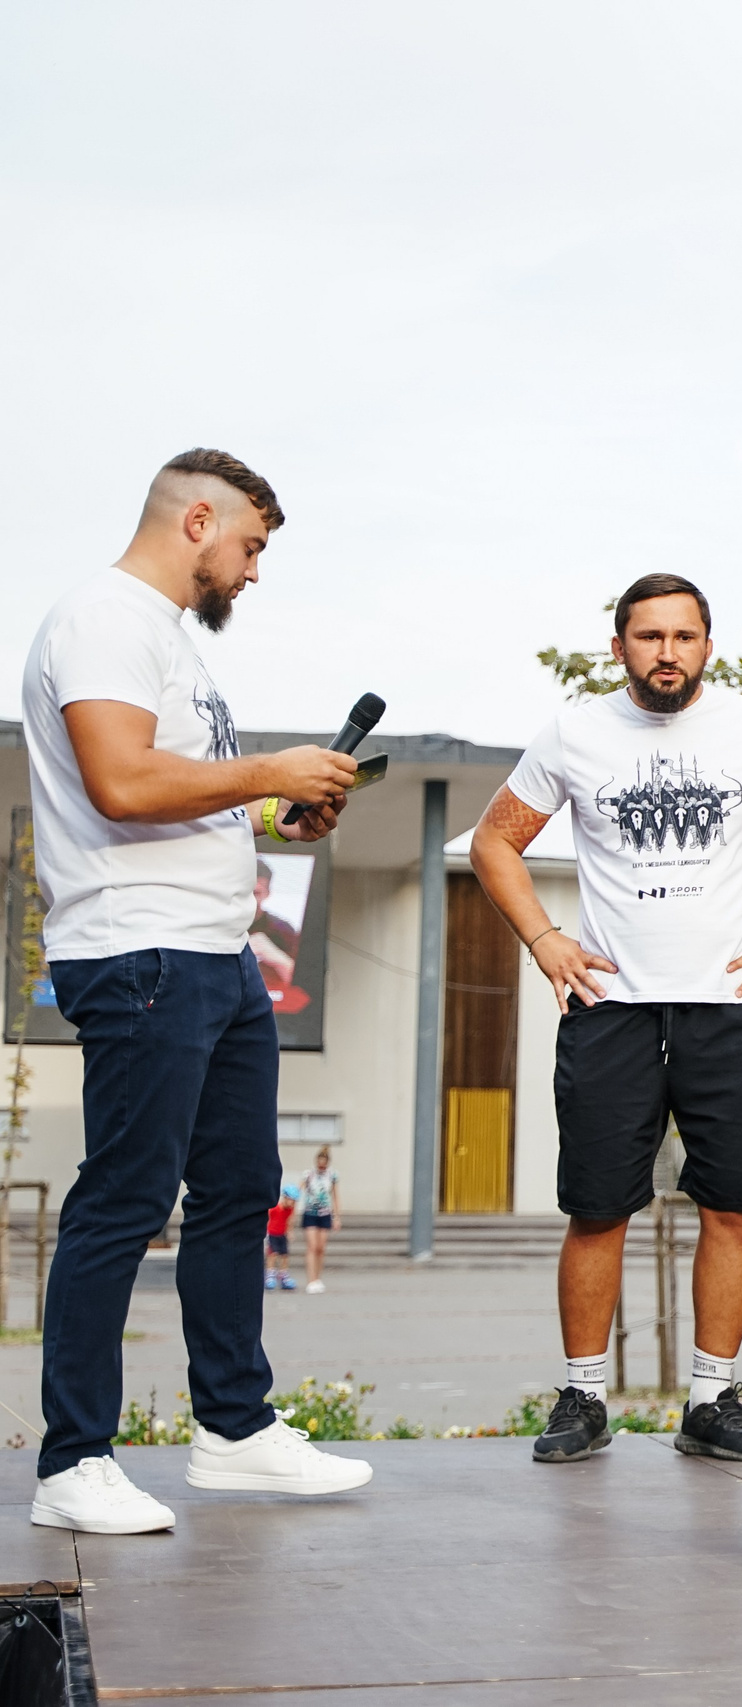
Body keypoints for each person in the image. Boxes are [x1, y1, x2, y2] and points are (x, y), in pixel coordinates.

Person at [23, 448, 373, 1535]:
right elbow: (122, 784)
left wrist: (272, 814)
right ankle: (74, 1462)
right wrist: (270, 770)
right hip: (140, 952)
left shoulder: (167, 644)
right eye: (252, 548)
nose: (254, 573)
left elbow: (180, 790)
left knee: (238, 1189)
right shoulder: (103, 620)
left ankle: (234, 1433)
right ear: (198, 521)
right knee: (126, 1198)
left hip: (214, 956)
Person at [470, 572, 742, 1466]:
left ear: (707, 646)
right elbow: (495, 839)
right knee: (596, 1208)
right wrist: (544, 939)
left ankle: (711, 1396)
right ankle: (582, 1397)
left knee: (732, 1209)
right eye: (648, 637)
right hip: (610, 1005)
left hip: (730, 1007)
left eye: (683, 637)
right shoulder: (575, 731)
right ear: (619, 647)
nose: (666, 653)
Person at [299, 1146, 339, 1293]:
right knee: (312, 1246)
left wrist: (336, 1217)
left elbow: (334, 1196)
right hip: (310, 1212)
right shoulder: (309, 1174)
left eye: (324, 1161)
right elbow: (300, 1189)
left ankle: (317, 1277)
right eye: (319, 1161)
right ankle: (310, 1279)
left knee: (321, 1248)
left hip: (325, 1213)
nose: (321, 1164)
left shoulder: (332, 1175)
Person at [264, 1187, 299, 1292]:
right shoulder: (275, 1209)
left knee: (284, 1255)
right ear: (285, 1198)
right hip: (272, 1234)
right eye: (291, 1200)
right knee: (273, 1254)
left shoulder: (290, 1210)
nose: (292, 1203)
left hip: (282, 1234)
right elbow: (268, 1220)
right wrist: (265, 1233)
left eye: (294, 1201)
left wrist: (290, 1231)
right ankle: (270, 1274)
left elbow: (290, 1221)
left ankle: (284, 1274)